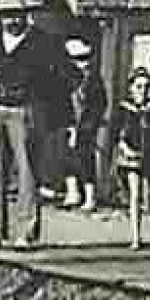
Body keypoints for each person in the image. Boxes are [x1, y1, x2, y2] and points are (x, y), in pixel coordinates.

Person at [0, 0, 71, 249]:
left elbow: (67, 76)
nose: (13, 21)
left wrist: (47, 103)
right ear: (0, 19)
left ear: (26, 17)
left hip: (25, 111)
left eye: (17, 15)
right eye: (7, 16)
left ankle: (26, 234)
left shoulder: (44, 44)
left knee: (27, 171)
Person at [105, 67, 150, 251]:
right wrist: (121, 147)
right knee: (135, 197)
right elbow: (115, 133)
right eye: (138, 86)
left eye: (145, 86)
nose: (142, 90)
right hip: (132, 158)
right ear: (131, 88)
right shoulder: (124, 109)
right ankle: (136, 238)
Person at [60, 39, 107, 212]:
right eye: (78, 59)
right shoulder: (67, 79)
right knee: (67, 158)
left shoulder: (94, 79)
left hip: (87, 125)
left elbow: (101, 102)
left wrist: (90, 123)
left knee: (86, 159)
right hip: (69, 123)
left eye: (85, 58)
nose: (82, 63)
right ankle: (72, 193)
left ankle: (90, 196)